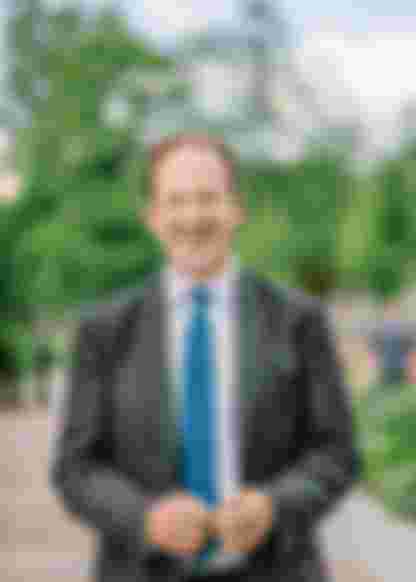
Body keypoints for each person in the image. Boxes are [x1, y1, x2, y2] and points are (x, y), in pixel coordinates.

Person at [49, 133, 361, 582]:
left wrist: (274, 506)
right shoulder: (105, 330)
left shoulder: (299, 320)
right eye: (176, 201)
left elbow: (336, 453)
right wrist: (145, 519)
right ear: (153, 216)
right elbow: (75, 468)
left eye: (208, 198)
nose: (193, 218)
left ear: (236, 208)